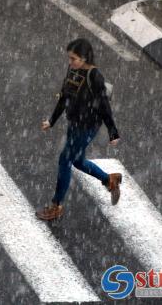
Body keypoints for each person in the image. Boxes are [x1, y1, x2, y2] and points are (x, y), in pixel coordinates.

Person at [36, 38, 122, 221]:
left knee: (65, 160)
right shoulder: (72, 71)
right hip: (74, 123)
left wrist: (112, 131)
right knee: (78, 161)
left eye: (73, 58)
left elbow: (104, 105)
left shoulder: (94, 76)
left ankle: (56, 205)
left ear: (84, 58)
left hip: (87, 127)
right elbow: (64, 96)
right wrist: (52, 120)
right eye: (69, 58)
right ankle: (109, 180)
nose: (70, 62)